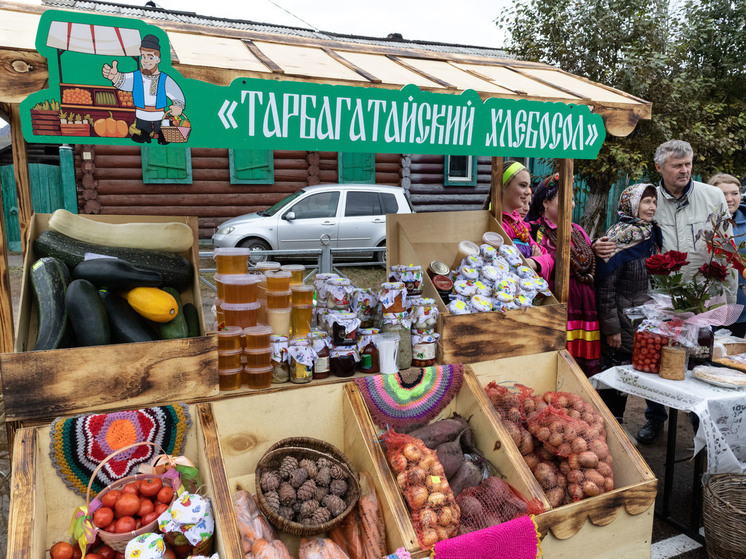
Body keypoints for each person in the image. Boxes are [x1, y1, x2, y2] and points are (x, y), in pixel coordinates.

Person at [636, 139, 735, 444]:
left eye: (688, 164)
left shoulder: (712, 196)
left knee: (699, 361)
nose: (684, 170)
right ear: (659, 168)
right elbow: (632, 237)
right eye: (677, 165)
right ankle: (655, 417)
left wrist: (726, 299)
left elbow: (726, 248)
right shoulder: (648, 198)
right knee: (657, 357)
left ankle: (699, 423)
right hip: (662, 295)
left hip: (702, 295)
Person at [595, 183, 662, 422]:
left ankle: (653, 421)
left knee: (646, 373)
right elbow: (605, 288)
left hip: (644, 318)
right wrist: (611, 329)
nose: (651, 206)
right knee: (616, 381)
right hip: (621, 320)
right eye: (646, 201)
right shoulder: (618, 236)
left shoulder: (651, 233)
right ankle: (613, 426)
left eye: (654, 201)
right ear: (631, 204)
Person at [526, 173, 602, 378]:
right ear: (545, 202)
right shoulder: (533, 231)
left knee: (581, 371)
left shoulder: (577, 231)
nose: (573, 203)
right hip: (555, 306)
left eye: (573, 198)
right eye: (565, 198)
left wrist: (595, 251)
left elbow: (585, 262)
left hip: (584, 309)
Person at [102, 34, 185, 145]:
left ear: (158, 59)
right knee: (142, 131)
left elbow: (176, 94)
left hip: (159, 115)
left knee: (163, 130)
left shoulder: (164, 79)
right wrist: (114, 76)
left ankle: (161, 135)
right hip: (141, 114)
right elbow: (124, 80)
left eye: (150, 57)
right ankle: (144, 134)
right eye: (143, 56)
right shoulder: (136, 76)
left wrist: (178, 106)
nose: (145, 61)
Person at [499, 161, 554, 280]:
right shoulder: (497, 223)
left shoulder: (519, 224)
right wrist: (533, 262)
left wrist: (530, 262)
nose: (527, 191)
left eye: (528, 186)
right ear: (504, 186)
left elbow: (548, 258)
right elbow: (504, 267)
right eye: (522, 185)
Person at [708, 173, 746, 337]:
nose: (730, 199)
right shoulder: (702, 223)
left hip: (741, 306)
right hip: (707, 304)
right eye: (723, 194)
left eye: (734, 193)